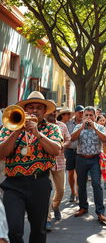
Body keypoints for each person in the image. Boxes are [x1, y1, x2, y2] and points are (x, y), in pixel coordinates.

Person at [0, 91, 62, 243]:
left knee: (38, 230)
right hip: (13, 185)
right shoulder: (9, 127)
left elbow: (55, 150)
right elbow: (1, 154)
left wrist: (36, 133)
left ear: (44, 111)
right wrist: (15, 133)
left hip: (39, 184)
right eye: (31, 107)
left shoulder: (52, 129)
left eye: (39, 107)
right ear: (25, 110)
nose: (34, 110)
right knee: (13, 230)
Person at [71, 106, 106, 223]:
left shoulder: (100, 127)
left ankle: (100, 212)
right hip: (81, 159)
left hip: (95, 160)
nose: (88, 117)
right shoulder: (78, 127)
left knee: (96, 184)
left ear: (95, 116)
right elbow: (72, 138)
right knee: (81, 184)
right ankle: (83, 207)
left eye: (91, 115)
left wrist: (94, 128)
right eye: (86, 115)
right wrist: (82, 127)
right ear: (82, 116)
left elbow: (105, 139)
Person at [45, 106, 71, 230]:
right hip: (45, 164)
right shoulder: (40, 126)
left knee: (60, 191)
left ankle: (55, 206)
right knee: (47, 192)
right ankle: (47, 218)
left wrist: (63, 146)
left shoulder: (62, 126)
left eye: (55, 111)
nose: (53, 113)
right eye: (51, 112)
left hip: (60, 162)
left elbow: (68, 139)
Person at [65, 105, 84, 202]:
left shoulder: (86, 123)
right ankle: (72, 192)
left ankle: (79, 193)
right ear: (75, 113)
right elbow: (68, 137)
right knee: (71, 173)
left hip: (81, 152)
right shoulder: (68, 123)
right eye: (79, 112)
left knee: (80, 173)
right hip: (69, 150)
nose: (81, 114)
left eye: (82, 112)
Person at [96, 115, 106, 189]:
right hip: (97, 151)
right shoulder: (95, 129)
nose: (102, 122)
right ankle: (98, 181)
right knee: (97, 168)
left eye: (103, 120)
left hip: (105, 151)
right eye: (100, 120)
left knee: (105, 167)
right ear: (97, 121)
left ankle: (105, 181)